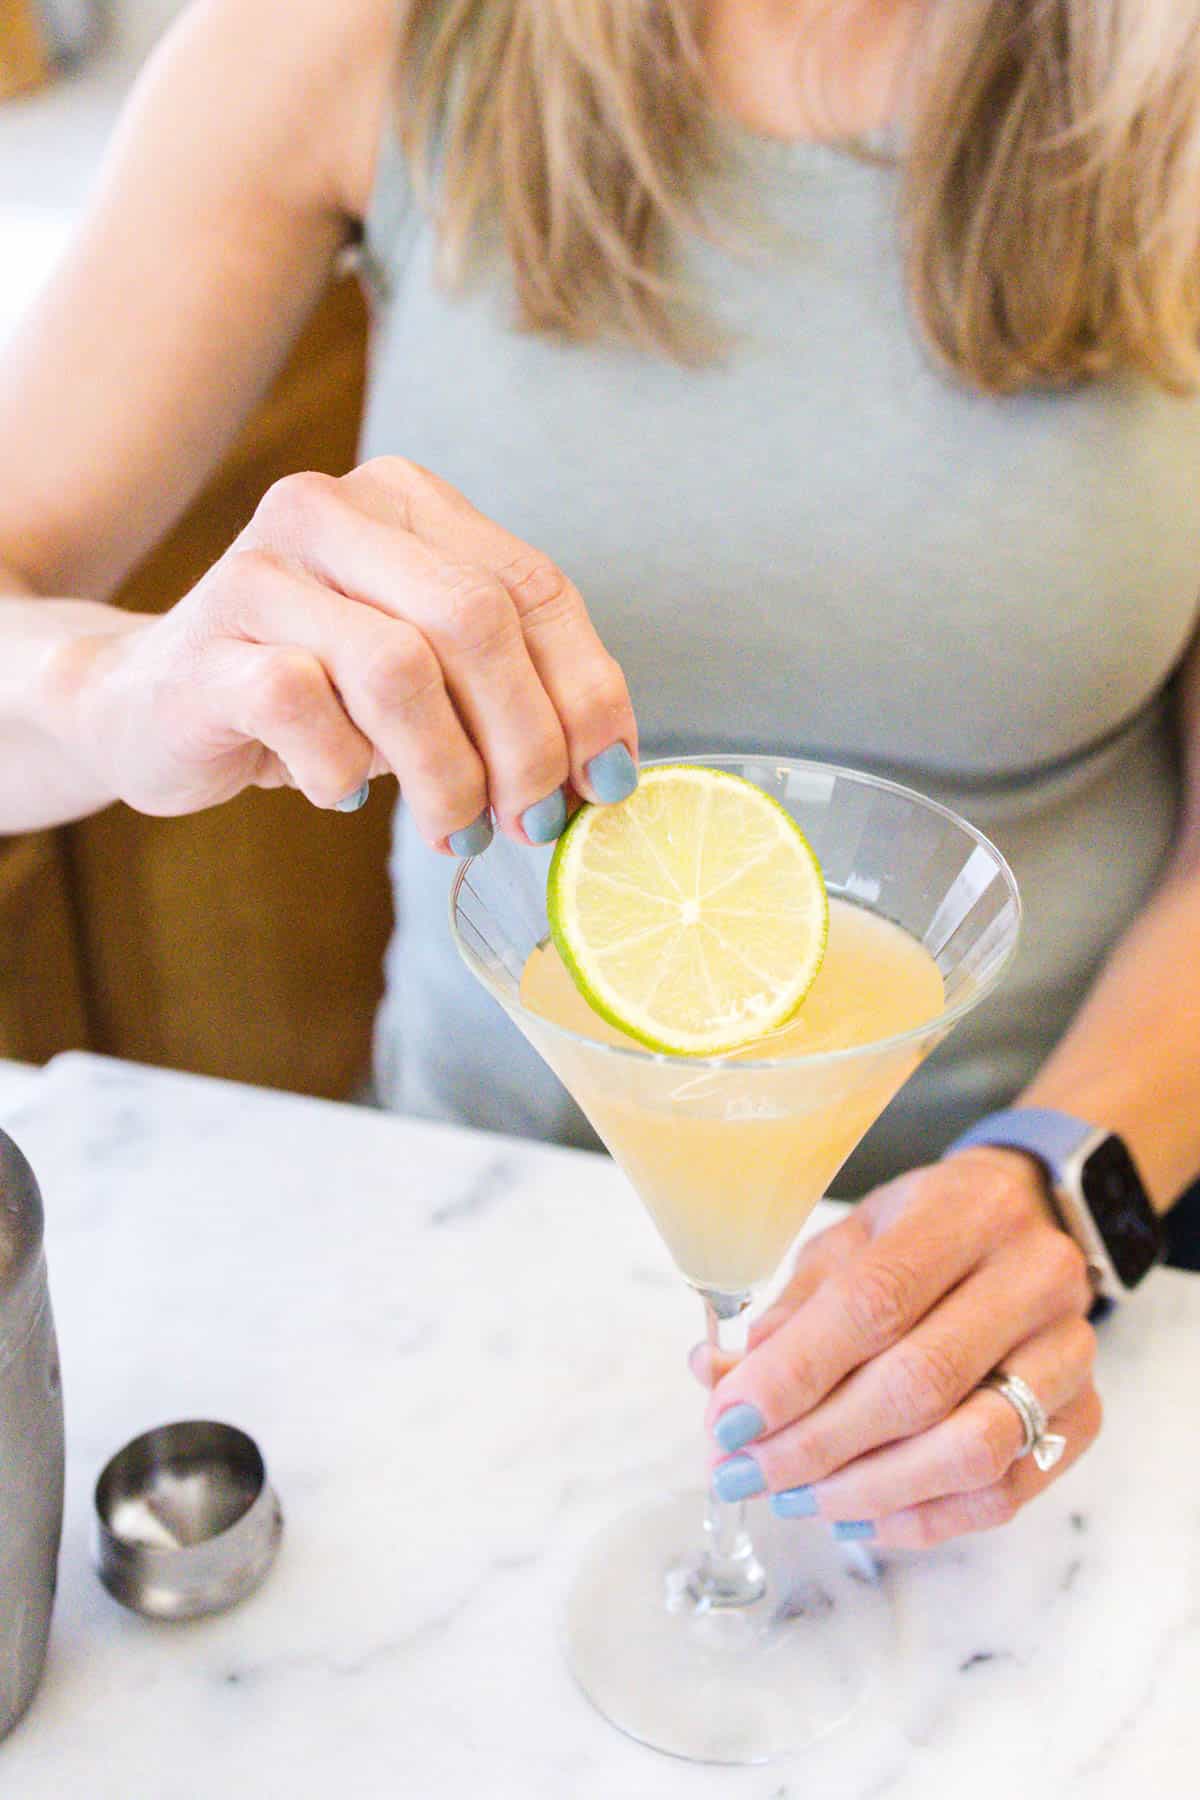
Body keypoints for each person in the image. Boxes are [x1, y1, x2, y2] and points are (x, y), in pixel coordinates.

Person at [2, 0, 1197, 1550]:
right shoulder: (356, 36)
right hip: (474, 1242)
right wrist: (123, 689)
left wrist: (1063, 1187)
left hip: (1059, 1277)